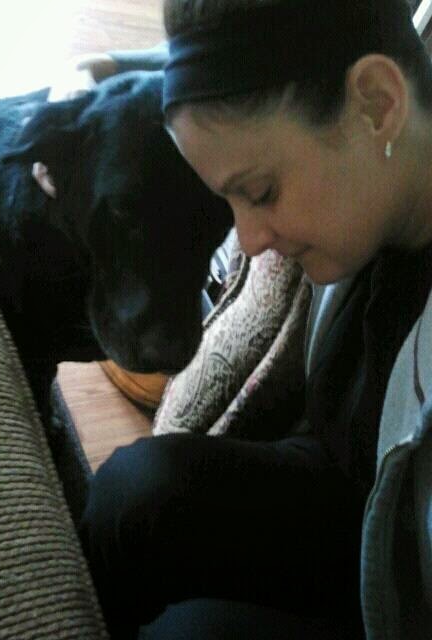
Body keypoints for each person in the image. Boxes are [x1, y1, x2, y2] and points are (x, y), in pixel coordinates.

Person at [79, 1, 432, 638]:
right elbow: (285, 40)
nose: (248, 240)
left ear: (379, 104)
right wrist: (111, 66)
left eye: (261, 192)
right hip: (354, 488)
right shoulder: (387, 59)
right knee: (133, 492)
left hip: (414, 591)